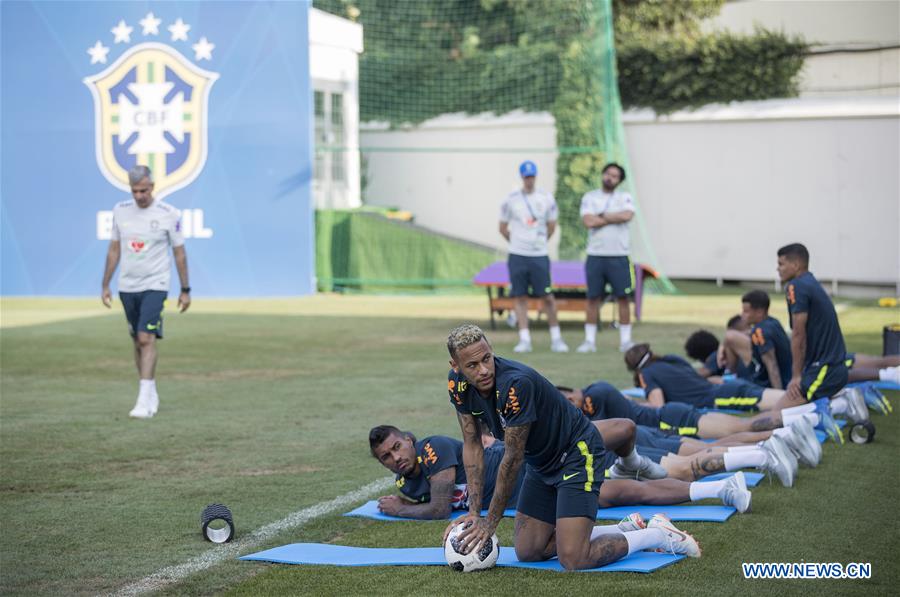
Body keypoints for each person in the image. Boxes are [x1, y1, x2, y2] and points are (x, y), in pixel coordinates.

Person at [443, 324, 701, 571]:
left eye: (487, 359)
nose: (484, 370)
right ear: (455, 366)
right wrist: (474, 513)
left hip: (576, 451)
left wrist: (490, 523)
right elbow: (472, 443)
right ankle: (626, 528)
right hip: (541, 462)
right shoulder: (457, 385)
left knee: (574, 557)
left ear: (491, 350)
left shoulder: (514, 384)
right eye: (472, 365)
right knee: (529, 551)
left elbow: (512, 458)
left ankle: (657, 535)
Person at [369, 425, 752, 519]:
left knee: (626, 431)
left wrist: (401, 509)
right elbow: (425, 499)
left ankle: (634, 459)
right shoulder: (407, 483)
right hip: (534, 491)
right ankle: (721, 489)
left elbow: (438, 508)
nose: (395, 457)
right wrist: (403, 499)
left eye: (397, 446)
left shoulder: (432, 448)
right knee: (623, 493)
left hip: (541, 455)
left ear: (410, 439)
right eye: (386, 456)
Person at [101, 166, 190, 418]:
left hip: (156, 284)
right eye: (135, 191)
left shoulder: (168, 214)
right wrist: (105, 284)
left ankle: (143, 399)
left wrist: (185, 289)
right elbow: (114, 249)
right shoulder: (120, 211)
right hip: (128, 286)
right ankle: (150, 391)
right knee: (136, 341)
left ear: (152, 186)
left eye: (144, 190)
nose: (139, 195)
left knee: (145, 338)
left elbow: (179, 253)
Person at [499, 161, 567, 353]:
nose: (529, 180)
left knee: (547, 296)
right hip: (517, 255)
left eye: (532, 176)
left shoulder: (546, 198)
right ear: (522, 177)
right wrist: (518, 243)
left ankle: (556, 338)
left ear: (536, 177)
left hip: (539, 255)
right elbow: (503, 228)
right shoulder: (511, 199)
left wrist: (539, 243)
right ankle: (524, 339)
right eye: (526, 176)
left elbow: (552, 226)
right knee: (519, 296)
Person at [624, 343, 786, 412]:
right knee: (786, 399)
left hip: (722, 397)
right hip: (728, 387)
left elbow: (658, 405)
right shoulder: (671, 359)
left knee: (788, 402)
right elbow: (698, 378)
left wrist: (632, 403)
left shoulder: (646, 374)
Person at [577, 163, 636, 353]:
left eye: (615, 176)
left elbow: (627, 215)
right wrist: (612, 218)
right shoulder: (590, 197)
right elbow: (587, 221)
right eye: (608, 174)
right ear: (603, 175)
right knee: (593, 298)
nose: (610, 178)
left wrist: (602, 217)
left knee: (623, 298)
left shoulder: (624, 197)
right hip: (596, 256)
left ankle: (626, 341)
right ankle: (589, 341)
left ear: (619, 180)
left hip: (619, 255)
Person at [740, 290, 794, 390]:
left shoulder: (759, 332)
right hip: (789, 377)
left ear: (759, 312)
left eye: (746, 311)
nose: (742, 315)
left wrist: (778, 395)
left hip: (767, 387)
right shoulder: (773, 322)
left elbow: (772, 365)